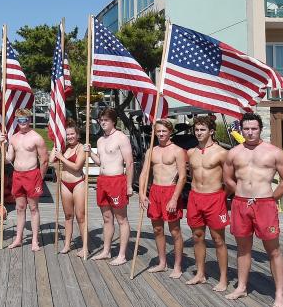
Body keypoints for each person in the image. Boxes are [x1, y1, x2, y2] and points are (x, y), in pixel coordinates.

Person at [223, 112, 283, 307]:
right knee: (243, 248)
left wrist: (272, 198)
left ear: (260, 129)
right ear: (241, 130)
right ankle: (241, 287)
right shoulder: (234, 152)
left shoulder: (274, 152)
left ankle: (279, 294)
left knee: (273, 250)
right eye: (246, 129)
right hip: (241, 203)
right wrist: (239, 192)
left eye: (254, 129)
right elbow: (227, 177)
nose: (250, 132)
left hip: (265, 204)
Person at [186, 114, 230, 291]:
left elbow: (230, 180)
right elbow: (191, 176)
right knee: (197, 237)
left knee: (218, 239)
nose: (198, 133)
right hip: (195, 197)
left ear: (211, 131)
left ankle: (223, 279)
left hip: (215, 198)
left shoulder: (221, 153)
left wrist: (222, 196)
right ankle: (200, 274)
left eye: (202, 129)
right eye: (196, 130)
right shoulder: (191, 152)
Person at [85, 108, 133, 265]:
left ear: (113, 121)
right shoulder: (100, 140)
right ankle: (106, 251)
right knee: (106, 218)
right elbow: (101, 161)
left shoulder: (121, 138)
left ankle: (122, 255)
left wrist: (129, 185)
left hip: (117, 181)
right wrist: (90, 153)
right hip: (103, 181)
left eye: (106, 120)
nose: (103, 122)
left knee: (121, 219)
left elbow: (130, 163)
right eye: (101, 120)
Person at [140, 119, 187, 278]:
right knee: (157, 229)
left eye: (163, 131)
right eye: (158, 131)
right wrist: (141, 193)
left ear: (170, 132)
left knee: (174, 231)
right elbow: (145, 173)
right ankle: (162, 262)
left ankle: (177, 266)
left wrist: (174, 198)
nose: (160, 134)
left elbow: (182, 177)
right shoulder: (151, 151)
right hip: (155, 190)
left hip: (170, 191)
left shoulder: (178, 150)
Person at [4, 109, 49, 251]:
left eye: (24, 120)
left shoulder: (36, 137)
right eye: (19, 120)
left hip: (32, 175)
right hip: (18, 175)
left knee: (34, 208)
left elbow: (44, 160)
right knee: (19, 208)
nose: (22, 123)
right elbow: (8, 159)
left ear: (29, 120)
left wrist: (39, 178)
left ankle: (35, 240)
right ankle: (18, 238)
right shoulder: (14, 138)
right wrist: (2, 144)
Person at [50, 121, 87, 257]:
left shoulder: (81, 148)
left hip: (78, 183)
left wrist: (62, 158)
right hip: (64, 183)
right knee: (68, 216)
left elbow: (77, 166)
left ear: (77, 135)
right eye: (67, 135)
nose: (70, 137)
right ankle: (67, 244)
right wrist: (56, 143)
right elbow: (50, 159)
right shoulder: (63, 147)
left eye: (72, 134)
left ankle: (85, 247)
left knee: (80, 216)